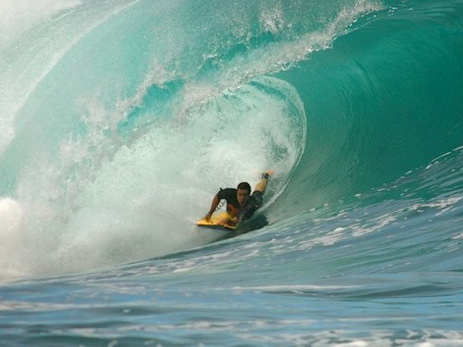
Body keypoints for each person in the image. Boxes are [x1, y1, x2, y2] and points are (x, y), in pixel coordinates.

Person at [204, 172, 271, 227]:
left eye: (245, 195)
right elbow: (218, 196)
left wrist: (229, 220)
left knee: (258, 191)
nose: (242, 198)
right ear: (236, 192)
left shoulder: (251, 205)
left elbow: (236, 221)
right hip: (238, 209)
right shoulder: (229, 193)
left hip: (256, 199)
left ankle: (265, 177)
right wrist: (210, 212)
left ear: (249, 194)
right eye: (240, 194)